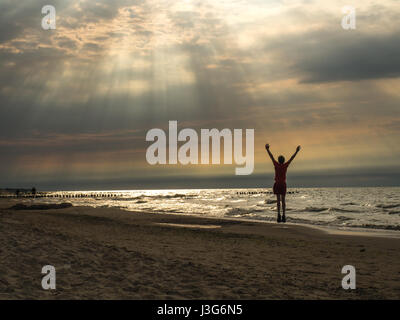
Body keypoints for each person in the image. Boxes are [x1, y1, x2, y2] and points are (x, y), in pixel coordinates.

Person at [265, 144, 301, 223]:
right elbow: (292, 158)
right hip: (283, 184)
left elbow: (271, 157)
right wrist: (297, 151)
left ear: (278, 160)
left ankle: (278, 215)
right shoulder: (285, 165)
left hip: (277, 184)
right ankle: (284, 215)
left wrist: (267, 149)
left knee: (278, 201)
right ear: (284, 160)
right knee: (283, 201)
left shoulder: (276, 165)